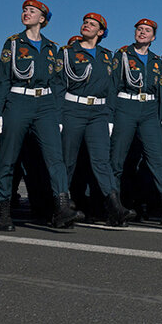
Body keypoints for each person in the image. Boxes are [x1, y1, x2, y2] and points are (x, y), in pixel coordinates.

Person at [0, 0, 79, 230]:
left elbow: (58, 84)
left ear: (42, 19)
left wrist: (58, 115)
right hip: (18, 100)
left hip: (46, 104)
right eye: (24, 10)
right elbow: (2, 79)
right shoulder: (13, 43)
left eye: (32, 11)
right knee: (7, 159)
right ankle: (3, 211)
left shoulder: (52, 48)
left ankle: (61, 208)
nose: (26, 13)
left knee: (55, 159)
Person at [60, 12, 135, 225]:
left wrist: (109, 117)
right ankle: (61, 206)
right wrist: (58, 116)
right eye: (85, 22)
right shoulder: (67, 52)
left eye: (92, 24)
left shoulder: (105, 56)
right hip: (73, 108)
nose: (86, 25)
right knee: (67, 161)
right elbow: (59, 84)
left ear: (100, 32)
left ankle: (114, 206)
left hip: (98, 114)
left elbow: (111, 89)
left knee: (102, 162)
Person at [110, 18, 162, 225]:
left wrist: (159, 116)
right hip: (126, 107)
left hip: (149, 111)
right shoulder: (123, 55)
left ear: (153, 37)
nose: (142, 33)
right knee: (118, 160)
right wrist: (110, 116)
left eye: (147, 31)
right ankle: (115, 207)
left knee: (157, 158)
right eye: (139, 29)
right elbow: (113, 86)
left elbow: (161, 93)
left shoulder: (156, 61)